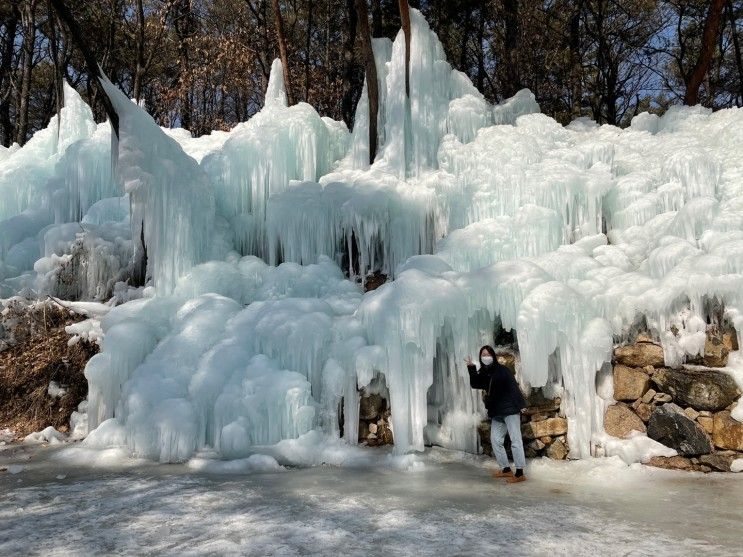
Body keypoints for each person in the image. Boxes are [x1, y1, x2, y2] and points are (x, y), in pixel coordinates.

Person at [465, 345, 527, 483]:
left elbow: (513, 387)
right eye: (483, 355)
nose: (485, 357)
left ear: (493, 355)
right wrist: (471, 368)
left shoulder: (502, 371)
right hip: (497, 411)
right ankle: (505, 469)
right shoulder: (484, 373)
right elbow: (475, 384)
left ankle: (520, 472)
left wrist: (521, 405)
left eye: (488, 354)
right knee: (495, 440)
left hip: (510, 409)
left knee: (515, 440)